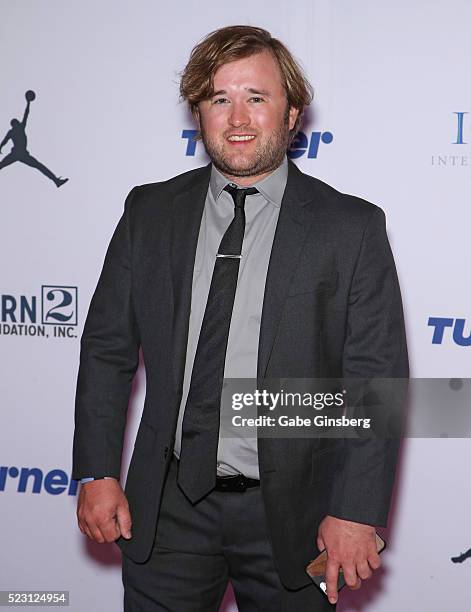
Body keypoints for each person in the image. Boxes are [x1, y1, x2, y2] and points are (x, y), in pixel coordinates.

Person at [73, 25, 408, 611]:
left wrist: (356, 509)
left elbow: (376, 381)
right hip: (168, 509)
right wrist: (97, 469)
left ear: (292, 112)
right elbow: (107, 348)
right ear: (198, 112)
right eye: (218, 99)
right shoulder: (148, 212)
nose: (238, 119)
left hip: (297, 514)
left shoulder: (350, 227)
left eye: (257, 98)